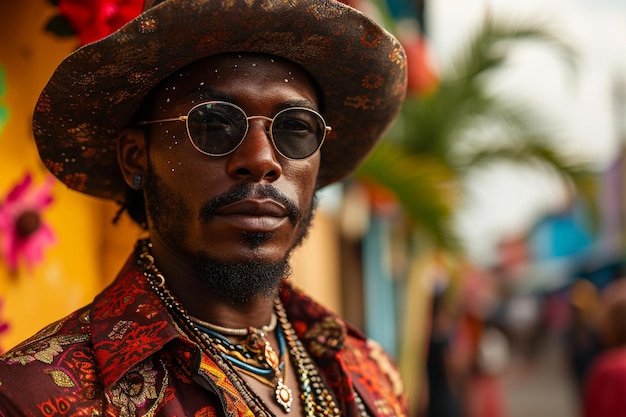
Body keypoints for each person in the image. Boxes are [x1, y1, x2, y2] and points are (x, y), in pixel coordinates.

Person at [0, 0, 408, 415]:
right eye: (213, 124)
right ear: (135, 158)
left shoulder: (369, 373)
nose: (263, 160)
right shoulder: (30, 396)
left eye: (295, 128)